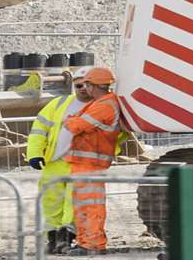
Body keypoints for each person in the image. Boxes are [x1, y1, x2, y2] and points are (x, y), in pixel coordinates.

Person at [60, 66, 129, 254]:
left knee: (91, 207)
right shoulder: (99, 103)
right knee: (83, 206)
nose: (84, 89)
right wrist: (72, 121)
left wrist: (70, 121)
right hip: (84, 164)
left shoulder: (105, 105)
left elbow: (75, 124)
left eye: (86, 84)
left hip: (90, 165)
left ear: (93, 86)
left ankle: (92, 245)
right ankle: (85, 243)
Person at [26, 70, 94, 251]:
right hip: (55, 162)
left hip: (82, 163)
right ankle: (53, 239)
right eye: (79, 85)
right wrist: (34, 154)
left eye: (88, 84)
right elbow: (39, 129)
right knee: (50, 202)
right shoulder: (59, 104)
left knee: (74, 203)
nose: (83, 89)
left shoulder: (101, 106)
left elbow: (116, 135)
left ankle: (67, 238)